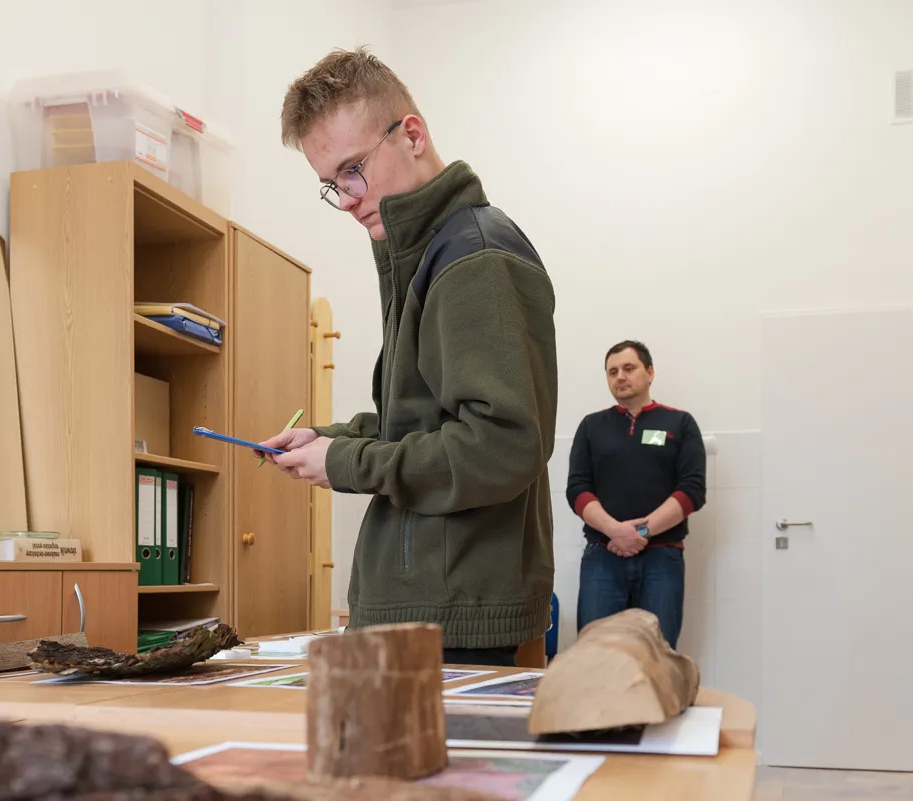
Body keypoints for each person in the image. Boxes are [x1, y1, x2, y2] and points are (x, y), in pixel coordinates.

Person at [256, 46, 558, 667]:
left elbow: (502, 446)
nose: (346, 198)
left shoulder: (476, 259)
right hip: (427, 607)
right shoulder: (425, 253)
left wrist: (349, 462)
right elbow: (423, 425)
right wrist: (332, 440)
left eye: (353, 170)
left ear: (412, 135)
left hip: (457, 617)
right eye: (331, 184)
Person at [566, 340, 707, 649]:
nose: (620, 376)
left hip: (662, 559)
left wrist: (639, 532)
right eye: (612, 371)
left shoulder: (679, 423)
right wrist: (615, 531)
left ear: (650, 372)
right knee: (595, 654)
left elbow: (691, 491)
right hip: (603, 556)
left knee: (658, 655)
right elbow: (577, 490)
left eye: (629, 368)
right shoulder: (591, 426)